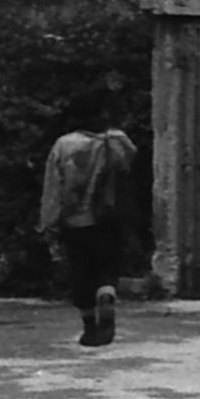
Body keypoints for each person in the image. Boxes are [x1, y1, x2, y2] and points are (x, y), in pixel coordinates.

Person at [36, 114, 138, 347]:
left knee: (81, 272)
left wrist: (49, 224)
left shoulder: (64, 145)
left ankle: (90, 329)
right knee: (107, 267)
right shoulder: (117, 140)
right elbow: (129, 168)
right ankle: (107, 294)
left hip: (76, 223)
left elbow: (54, 187)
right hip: (108, 219)